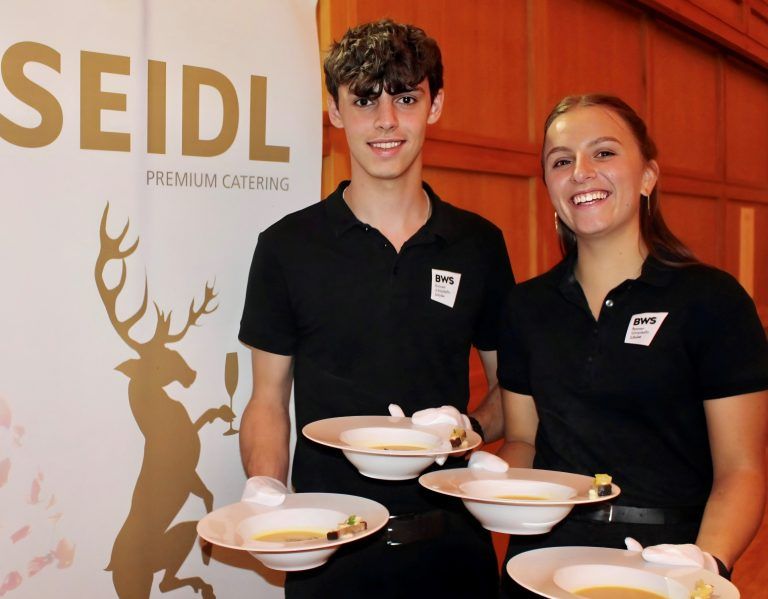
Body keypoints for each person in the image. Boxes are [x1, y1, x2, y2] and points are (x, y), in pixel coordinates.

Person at [238, 19, 514, 598]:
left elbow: (508, 390)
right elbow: (267, 399)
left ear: (434, 106)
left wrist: (470, 427)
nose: (385, 121)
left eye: (406, 98)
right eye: (364, 100)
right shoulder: (286, 247)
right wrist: (266, 489)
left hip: (454, 552)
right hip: (332, 556)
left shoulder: (479, 244)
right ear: (335, 112)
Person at [497, 94, 768, 596]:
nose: (580, 171)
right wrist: (489, 486)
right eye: (561, 161)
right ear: (551, 188)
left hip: (667, 562)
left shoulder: (712, 300)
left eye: (603, 153)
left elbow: (742, 470)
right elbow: (523, 441)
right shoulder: (525, 308)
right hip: (542, 563)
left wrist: (705, 563)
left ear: (647, 176)